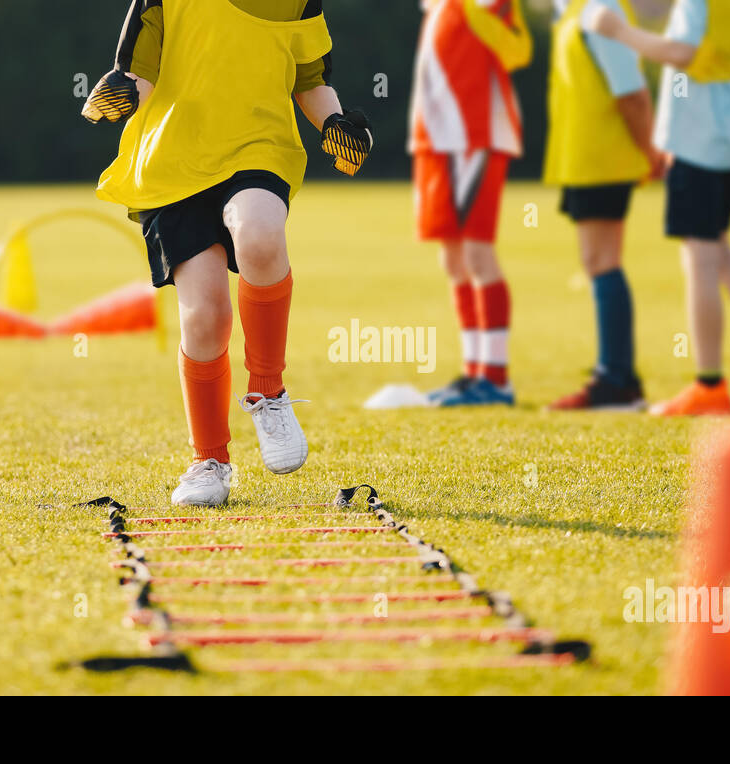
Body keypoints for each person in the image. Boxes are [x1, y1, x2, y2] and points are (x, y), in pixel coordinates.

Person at [83, 0, 372, 505]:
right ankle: (209, 460)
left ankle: (268, 392)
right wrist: (123, 93)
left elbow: (309, 77)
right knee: (206, 318)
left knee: (260, 235)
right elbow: (140, 69)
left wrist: (336, 123)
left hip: (259, 147)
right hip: (174, 162)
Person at [586, 0, 730, 415]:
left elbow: (680, 52)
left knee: (701, 260)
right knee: (718, 250)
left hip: (699, 138)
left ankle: (709, 386)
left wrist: (619, 31)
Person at [409, 0, 533, 406]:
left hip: (474, 134)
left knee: (478, 254)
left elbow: (518, 51)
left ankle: (495, 379)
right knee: (453, 258)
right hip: (437, 140)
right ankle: (473, 371)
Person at [545, 0, 661, 411]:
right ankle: (616, 377)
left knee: (602, 261)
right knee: (599, 261)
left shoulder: (598, 10)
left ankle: (617, 381)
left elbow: (631, 95)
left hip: (604, 160)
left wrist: (651, 151)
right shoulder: (574, 12)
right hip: (587, 161)